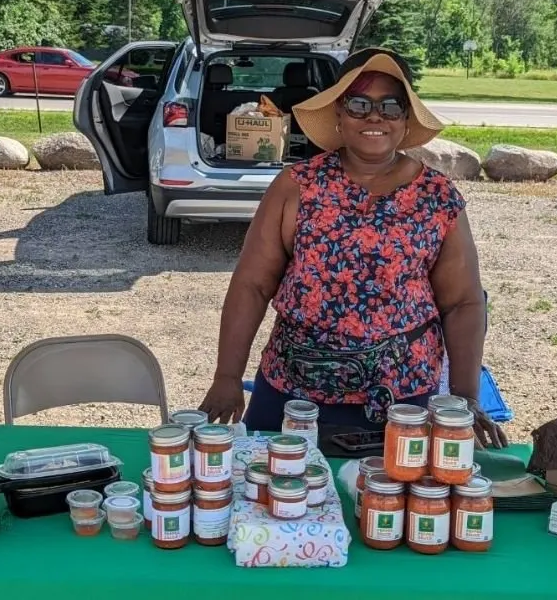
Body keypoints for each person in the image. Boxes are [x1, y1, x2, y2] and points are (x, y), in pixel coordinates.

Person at [199, 47, 507, 449]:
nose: (374, 116)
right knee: (274, 496)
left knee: (389, 506)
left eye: (391, 106)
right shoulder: (298, 185)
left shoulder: (438, 196)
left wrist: (465, 398)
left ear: (406, 118)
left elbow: (463, 302)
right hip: (292, 394)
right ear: (339, 116)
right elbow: (252, 285)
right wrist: (226, 377)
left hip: (401, 401)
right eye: (359, 104)